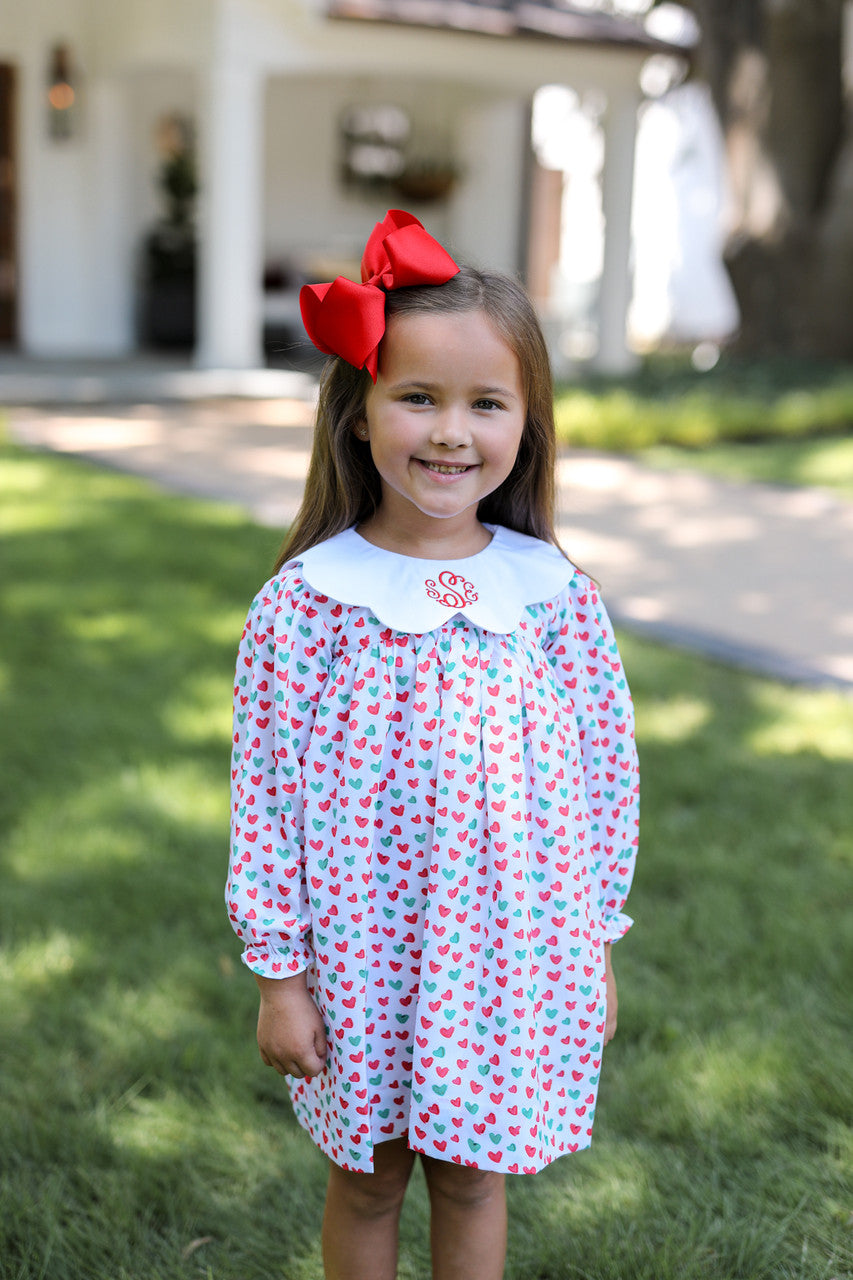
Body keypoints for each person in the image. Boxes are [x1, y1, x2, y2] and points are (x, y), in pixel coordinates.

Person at [226, 210, 639, 1280]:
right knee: (369, 1173)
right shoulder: (309, 603)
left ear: (526, 421)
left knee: (471, 1171)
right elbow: (264, 796)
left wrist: (591, 939)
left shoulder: (552, 595)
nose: (451, 430)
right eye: (419, 396)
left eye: (484, 403)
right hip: (364, 950)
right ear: (359, 413)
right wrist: (280, 975)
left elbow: (604, 779)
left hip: (508, 950)